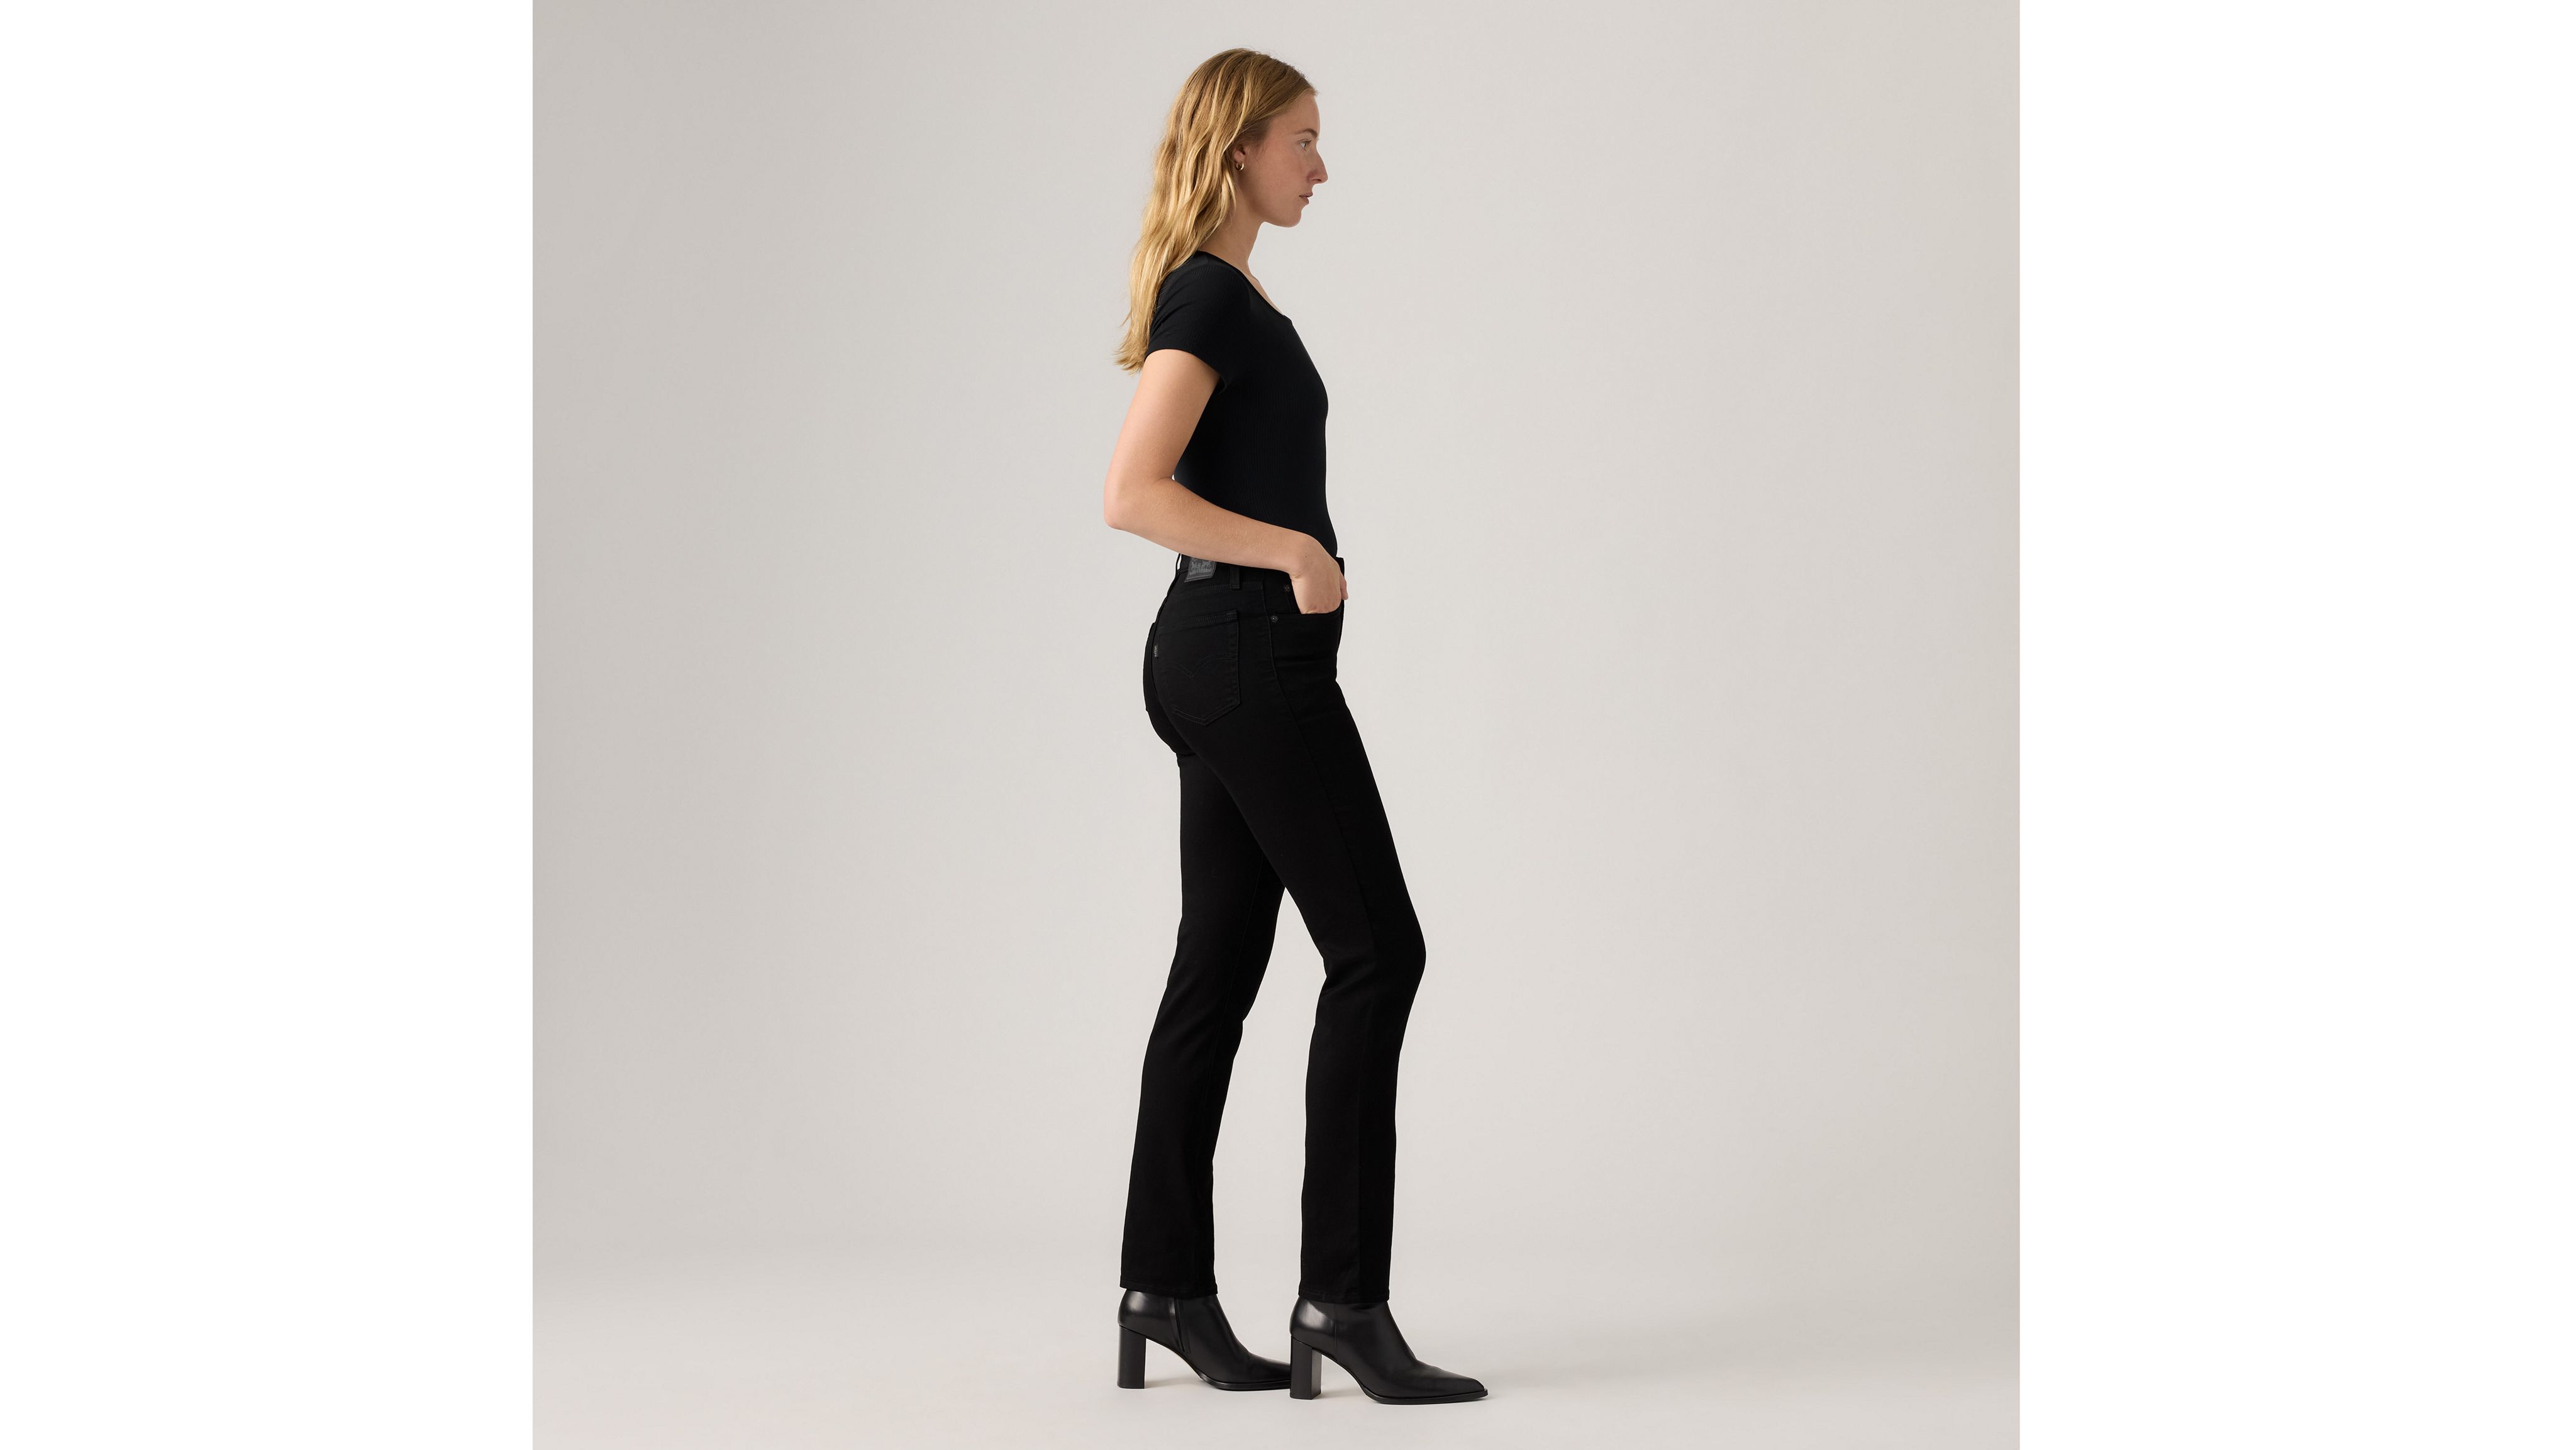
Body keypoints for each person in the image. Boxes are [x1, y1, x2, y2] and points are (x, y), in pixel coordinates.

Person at [1099, 49, 1487, 1407]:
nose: (1321, 167)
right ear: (1240, 147)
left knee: (1216, 967)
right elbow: (1131, 490)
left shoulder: (1226, 290)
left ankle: (1164, 1288)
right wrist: (1294, 552)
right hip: (1245, 652)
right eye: (1303, 140)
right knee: (1379, 951)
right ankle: (1343, 1302)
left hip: (1217, 655)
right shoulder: (1209, 294)